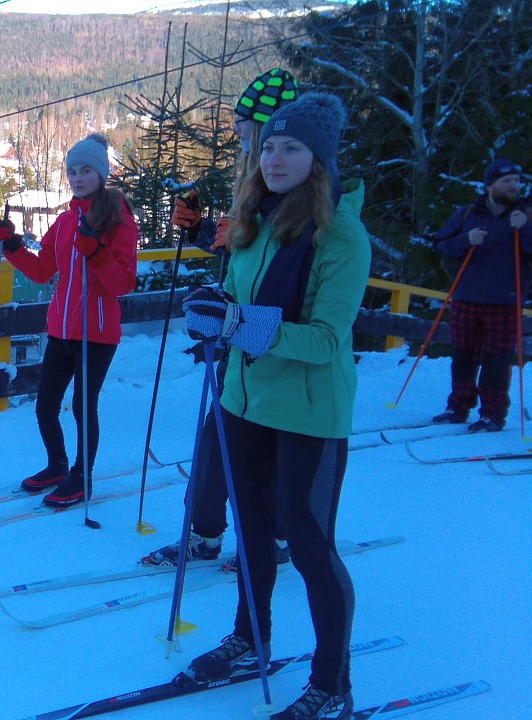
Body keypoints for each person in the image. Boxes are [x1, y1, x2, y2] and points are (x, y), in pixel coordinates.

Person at [180, 93, 370, 720]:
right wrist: (212, 311)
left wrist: (237, 323)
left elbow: (325, 340)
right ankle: (249, 639)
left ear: (320, 159)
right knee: (253, 530)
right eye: (269, 147)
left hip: (310, 413)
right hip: (244, 398)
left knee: (311, 545)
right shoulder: (252, 219)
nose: (275, 159)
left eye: (292, 147)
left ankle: (332, 684)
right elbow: (236, 300)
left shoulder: (341, 235)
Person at [146, 67, 298, 568]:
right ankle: (205, 533)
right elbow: (241, 253)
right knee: (216, 438)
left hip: (274, 343)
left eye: (245, 126)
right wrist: (200, 230)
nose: (238, 135)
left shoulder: (292, 194)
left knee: (265, 445)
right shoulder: (251, 182)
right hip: (237, 335)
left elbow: (279, 266)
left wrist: (235, 312)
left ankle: (275, 537)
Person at [0, 133, 138, 507]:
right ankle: (57, 465)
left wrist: (97, 253)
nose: (77, 178)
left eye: (86, 170)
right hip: (61, 329)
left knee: (82, 406)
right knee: (45, 406)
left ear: (101, 173)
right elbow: (42, 270)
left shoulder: (118, 220)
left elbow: (123, 283)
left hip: (98, 332)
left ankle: (81, 477)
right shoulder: (65, 221)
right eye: (72, 171)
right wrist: (13, 247)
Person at [430, 159, 532, 432]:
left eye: (517, 181)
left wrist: (525, 229)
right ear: (489, 185)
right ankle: (457, 407)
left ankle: (492, 414)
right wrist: (465, 240)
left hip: (505, 300)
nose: (514, 186)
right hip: (466, 297)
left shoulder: (529, 216)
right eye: (506, 181)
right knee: (463, 354)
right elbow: (438, 246)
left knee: (497, 358)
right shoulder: (467, 214)